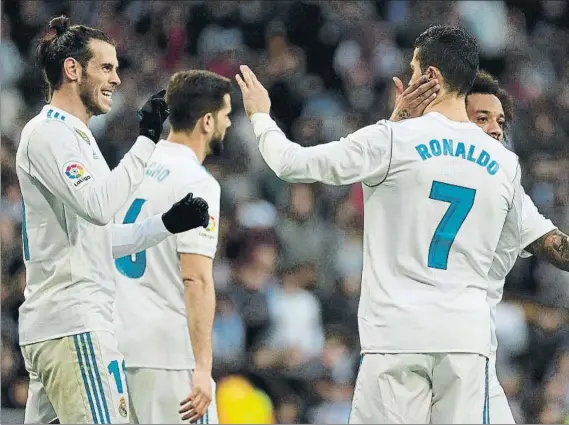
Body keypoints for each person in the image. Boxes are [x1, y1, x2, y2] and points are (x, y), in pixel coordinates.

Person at [236, 24, 525, 424]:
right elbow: (511, 249)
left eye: (413, 69)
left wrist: (260, 116)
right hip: (467, 338)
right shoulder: (505, 164)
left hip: (398, 334)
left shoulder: (392, 140)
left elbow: (291, 163)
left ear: (431, 77)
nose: (408, 79)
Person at [16, 16, 210, 424]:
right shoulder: (50, 132)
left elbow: (97, 237)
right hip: (76, 325)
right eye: (106, 67)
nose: (117, 79)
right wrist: (146, 140)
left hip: (60, 326)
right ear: (72, 69)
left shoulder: (77, 137)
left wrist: (165, 224)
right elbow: (100, 206)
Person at [392, 69, 569, 423]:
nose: (496, 129)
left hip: (460, 349)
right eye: (483, 118)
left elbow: (553, 244)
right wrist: (403, 121)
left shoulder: (503, 188)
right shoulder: (419, 167)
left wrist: (402, 122)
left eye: (501, 121)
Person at [114, 70, 232, 424]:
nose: (228, 124)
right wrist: (202, 367)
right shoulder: (198, 183)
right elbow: (195, 278)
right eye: (226, 115)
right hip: (168, 356)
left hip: (118, 346)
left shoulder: (133, 164)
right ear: (207, 121)